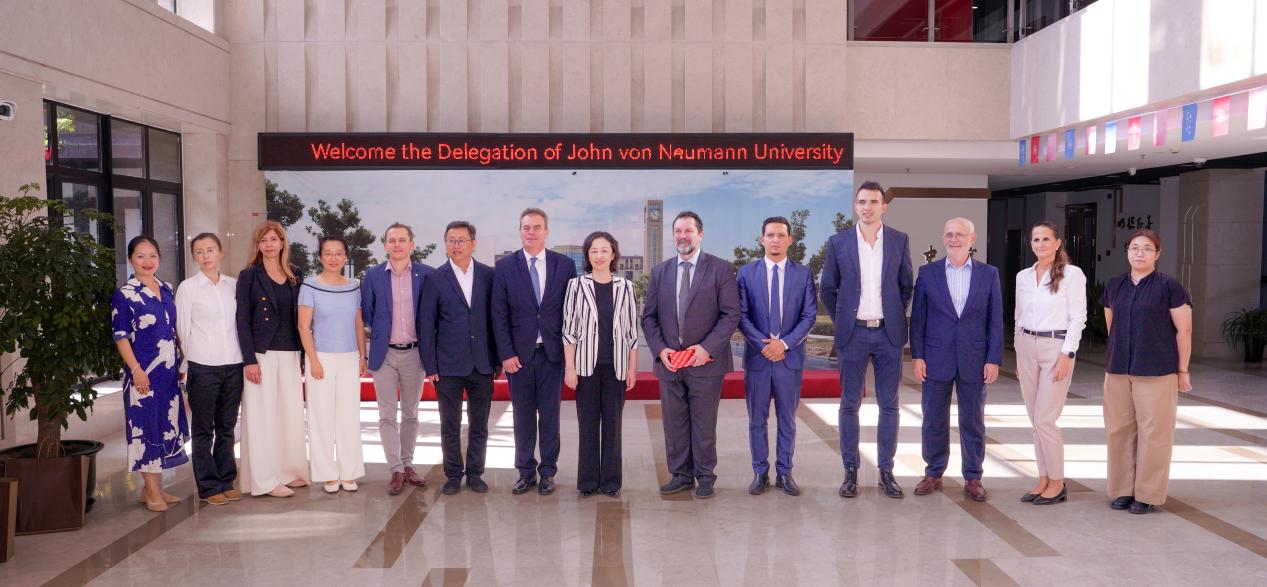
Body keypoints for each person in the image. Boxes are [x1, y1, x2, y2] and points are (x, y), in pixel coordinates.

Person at [819, 181, 913, 499]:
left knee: (889, 404)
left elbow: (906, 286)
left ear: (884, 206)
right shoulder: (839, 242)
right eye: (862, 202)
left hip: (888, 334)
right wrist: (845, 319)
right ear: (855, 206)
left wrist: (893, 314)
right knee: (849, 404)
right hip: (853, 334)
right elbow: (828, 288)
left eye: (873, 202)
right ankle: (850, 471)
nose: (867, 207)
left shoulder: (899, 240)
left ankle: (886, 471)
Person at [641, 211, 740, 499]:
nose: (682, 236)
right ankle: (681, 475)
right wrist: (661, 350)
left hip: (705, 363)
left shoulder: (720, 269)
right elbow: (649, 317)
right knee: (674, 423)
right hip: (670, 363)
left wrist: (706, 348)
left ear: (700, 234)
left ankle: (705, 476)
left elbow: (730, 314)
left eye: (688, 231)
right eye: (678, 231)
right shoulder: (660, 272)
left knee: (704, 423)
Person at [1100, 229, 1193, 515]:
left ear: (1157, 254)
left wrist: (1182, 370)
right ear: (1127, 251)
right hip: (1118, 369)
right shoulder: (1115, 285)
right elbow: (1111, 325)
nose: (1140, 253)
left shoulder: (1169, 287)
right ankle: (1123, 490)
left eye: (1147, 248)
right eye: (1135, 248)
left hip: (1157, 369)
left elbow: (1184, 330)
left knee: (1154, 433)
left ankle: (1147, 493)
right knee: (1118, 430)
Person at [910, 217, 1003, 502]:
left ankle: (973, 476)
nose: (954, 239)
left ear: (972, 239)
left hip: (974, 358)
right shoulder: (928, 273)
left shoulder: (989, 274)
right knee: (933, 418)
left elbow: (995, 320)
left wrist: (993, 358)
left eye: (960, 234)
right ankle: (933, 472)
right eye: (949, 234)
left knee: (972, 420)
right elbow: (918, 319)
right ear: (943, 238)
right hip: (935, 357)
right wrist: (918, 356)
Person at [492, 208, 578, 495]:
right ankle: (525, 471)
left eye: (537, 227)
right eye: (526, 227)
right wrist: (506, 354)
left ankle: (548, 472)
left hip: (553, 355)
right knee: (523, 418)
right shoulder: (505, 267)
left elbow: (571, 314)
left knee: (551, 417)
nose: (531, 232)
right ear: (520, 231)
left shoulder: (564, 266)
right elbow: (498, 314)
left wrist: (569, 358)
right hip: (519, 358)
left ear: (546, 231)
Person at [736, 217, 817, 496]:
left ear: (789, 240)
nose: (775, 240)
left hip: (789, 359)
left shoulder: (803, 274)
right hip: (758, 360)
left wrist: (783, 344)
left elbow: (809, 315)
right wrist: (764, 346)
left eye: (781, 235)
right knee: (757, 420)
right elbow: (741, 315)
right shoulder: (746, 274)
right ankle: (760, 472)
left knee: (787, 420)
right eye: (770, 235)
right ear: (762, 240)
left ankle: (785, 472)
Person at [419, 221, 499, 496]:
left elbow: (496, 320)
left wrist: (497, 360)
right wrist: (430, 365)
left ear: (473, 244)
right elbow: (426, 325)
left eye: (461, 240)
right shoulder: (434, 279)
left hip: (483, 363)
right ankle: (453, 474)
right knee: (449, 425)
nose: (456, 245)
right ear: (446, 244)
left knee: (479, 425)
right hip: (447, 366)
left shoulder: (489, 276)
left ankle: (475, 474)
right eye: (451, 240)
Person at [111, 236, 189, 512]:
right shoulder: (124, 294)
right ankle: (153, 491)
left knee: (164, 425)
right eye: (141, 256)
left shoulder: (167, 289)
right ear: (131, 259)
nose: (147, 261)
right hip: (142, 373)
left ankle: (151, 488)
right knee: (145, 429)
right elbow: (121, 337)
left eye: (152, 255)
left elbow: (173, 330)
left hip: (168, 374)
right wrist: (136, 371)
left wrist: (181, 363)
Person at [1014, 221, 1087, 505]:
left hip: (1055, 348)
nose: (1040, 244)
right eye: (1036, 239)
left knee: (1045, 418)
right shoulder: (1023, 276)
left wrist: (1068, 354)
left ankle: (1057, 482)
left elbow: (1078, 317)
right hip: (1026, 346)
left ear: (1057, 243)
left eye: (1046, 239)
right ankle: (1043, 478)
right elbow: (1019, 316)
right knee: (1035, 419)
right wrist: (1019, 355)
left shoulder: (1072, 274)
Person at [562, 231, 640, 498]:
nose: (599, 255)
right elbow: (569, 331)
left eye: (604, 250)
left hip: (616, 368)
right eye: (594, 250)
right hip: (585, 368)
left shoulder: (626, 287)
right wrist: (570, 368)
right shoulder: (576, 286)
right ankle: (587, 481)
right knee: (587, 425)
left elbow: (631, 332)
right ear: (587, 255)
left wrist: (632, 369)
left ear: (613, 254)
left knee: (613, 426)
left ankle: (611, 482)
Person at [236, 220, 309, 497]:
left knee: (289, 415)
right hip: (261, 354)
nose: (268, 244)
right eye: (263, 240)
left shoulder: (295, 273)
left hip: (290, 352)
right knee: (261, 418)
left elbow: (302, 316)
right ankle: (263, 481)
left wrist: (305, 355)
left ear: (282, 243)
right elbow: (242, 320)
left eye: (273, 239)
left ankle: (288, 471)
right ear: (258, 245)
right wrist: (249, 360)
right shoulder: (249, 275)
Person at [362, 223, 434, 495]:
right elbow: (368, 312)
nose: (397, 245)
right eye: (391, 240)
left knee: (411, 413)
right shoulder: (373, 275)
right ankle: (395, 469)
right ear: (385, 245)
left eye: (402, 240)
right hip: (385, 354)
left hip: (415, 353)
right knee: (386, 414)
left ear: (411, 244)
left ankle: (408, 464)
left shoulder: (427, 274)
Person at [175, 233, 244, 506]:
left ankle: (226, 480)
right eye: (199, 251)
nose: (205, 256)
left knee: (227, 427)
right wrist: (188, 364)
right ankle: (208, 486)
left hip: (233, 365)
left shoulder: (233, 285)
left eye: (210, 250)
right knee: (204, 430)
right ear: (194, 256)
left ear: (220, 253)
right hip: (203, 366)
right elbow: (182, 330)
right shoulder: (188, 288)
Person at [298, 236, 368, 494]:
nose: (333, 258)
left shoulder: (354, 287)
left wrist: (362, 357)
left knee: (349, 416)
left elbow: (358, 324)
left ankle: (349, 472)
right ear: (320, 257)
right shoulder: (310, 286)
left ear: (346, 257)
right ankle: (327, 474)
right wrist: (313, 360)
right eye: (328, 253)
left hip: (349, 358)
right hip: (321, 358)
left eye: (338, 253)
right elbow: (303, 327)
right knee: (321, 417)